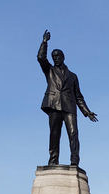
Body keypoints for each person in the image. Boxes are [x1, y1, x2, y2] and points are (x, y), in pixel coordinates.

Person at [38, 30, 98, 167]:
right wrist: (44, 43)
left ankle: (74, 162)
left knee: (73, 134)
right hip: (53, 105)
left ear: (63, 57)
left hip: (69, 107)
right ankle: (53, 161)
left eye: (58, 56)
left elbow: (79, 97)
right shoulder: (49, 71)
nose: (56, 58)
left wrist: (87, 112)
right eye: (54, 57)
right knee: (54, 134)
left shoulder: (73, 76)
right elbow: (41, 58)